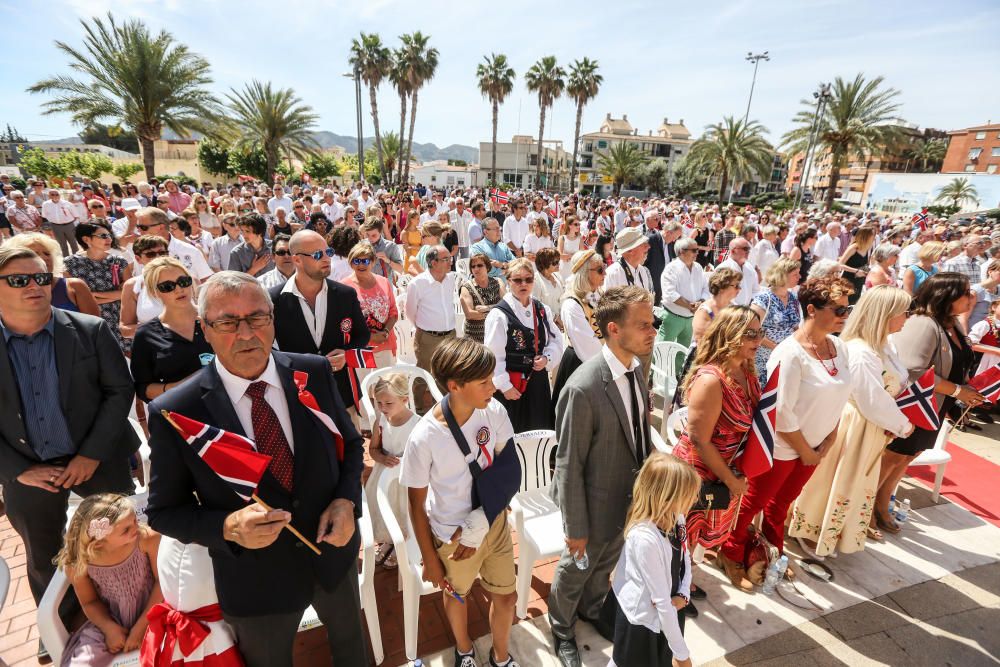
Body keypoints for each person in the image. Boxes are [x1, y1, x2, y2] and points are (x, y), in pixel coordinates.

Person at [146, 271, 367, 667]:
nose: (246, 334)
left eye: (257, 318)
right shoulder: (176, 412)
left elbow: (349, 445)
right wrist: (227, 527)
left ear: (272, 321)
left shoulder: (312, 372)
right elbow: (163, 512)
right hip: (256, 582)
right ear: (205, 330)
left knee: (352, 649)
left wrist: (347, 501)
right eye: (228, 322)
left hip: (333, 557)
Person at [0, 247, 138, 660]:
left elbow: (119, 391)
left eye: (42, 278)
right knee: (45, 555)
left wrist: (91, 455)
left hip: (95, 461)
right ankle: (58, 624)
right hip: (27, 471)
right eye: (20, 280)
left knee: (117, 543)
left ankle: (127, 613)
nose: (35, 288)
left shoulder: (89, 330)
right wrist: (17, 470)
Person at [720, 277, 855, 586]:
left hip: (816, 446)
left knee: (782, 504)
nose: (843, 316)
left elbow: (840, 393)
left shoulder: (840, 347)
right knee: (754, 502)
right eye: (837, 309)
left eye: (846, 309)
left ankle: (771, 551)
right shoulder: (791, 352)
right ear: (811, 309)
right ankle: (730, 551)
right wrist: (806, 450)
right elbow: (782, 411)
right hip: (785, 446)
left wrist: (830, 436)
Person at [549, 286, 656, 666]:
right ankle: (561, 627)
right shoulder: (584, 387)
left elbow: (639, 431)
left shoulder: (637, 369)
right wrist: (576, 525)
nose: (652, 330)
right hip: (591, 503)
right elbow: (568, 463)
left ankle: (591, 609)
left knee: (607, 561)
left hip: (626, 497)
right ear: (613, 329)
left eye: (652, 322)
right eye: (643, 324)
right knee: (575, 569)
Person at [399, 337, 521, 667]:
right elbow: (416, 503)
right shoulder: (424, 437)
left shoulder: (493, 411)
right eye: (483, 382)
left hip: (491, 524)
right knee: (456, 595)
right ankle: (464, 649)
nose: (492, 387)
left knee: (507, 596)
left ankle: (500, 655)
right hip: (451, 536)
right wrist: (430, 558)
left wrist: (480, 522)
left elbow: (511, 472)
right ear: (455, 385)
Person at [788, 286, 915, 557]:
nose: (908, 317)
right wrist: (902, 424)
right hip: (855, 424)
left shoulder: (885, 346)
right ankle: (809, 530)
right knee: (834, 478)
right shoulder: (860, 350)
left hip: (872, 426)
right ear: (886, 314)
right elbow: (871, 399)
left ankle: (833, 530)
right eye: (904, 312)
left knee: (854, 483)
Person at [875, 273, 986, 533]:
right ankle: (867, 506)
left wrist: (968, 385)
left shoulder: (952, 323)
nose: (972, 297)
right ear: (946, 295)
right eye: (965, 292)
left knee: (907, 457)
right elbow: (914, 371)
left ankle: (881, 504)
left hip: (936, 406)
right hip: (916, 406)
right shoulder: (924, 323)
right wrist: (959, 390)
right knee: (892, 458)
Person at [671, 306, 761, 592]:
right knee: (682, 533)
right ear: (731, 335)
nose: (758, 339)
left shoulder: (746, 369)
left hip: (726, 467)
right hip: (699, 469)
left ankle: (683, 578)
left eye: (760, 332)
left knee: (697, 535)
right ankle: (676, 586)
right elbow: (699, 439)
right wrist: (730, 480)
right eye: (750, 333)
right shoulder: (712, 380)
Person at [607, 453, 699, 667]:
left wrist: (684, 594)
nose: (694, 500)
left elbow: (685, 557)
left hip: (670, 609)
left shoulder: (678, 517)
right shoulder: (644, 539)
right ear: (667, 498)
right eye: (689, 495)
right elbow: (660, 603)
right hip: (643, 621)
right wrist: (682, 656)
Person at [270, 230, 371, 421]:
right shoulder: (273, 300)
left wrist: (346, 354)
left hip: (342, 395)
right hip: (299, 398)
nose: (326, 259)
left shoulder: (345, 294)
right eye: (317, 254)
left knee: (351, 450)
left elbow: (362, 335)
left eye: (328, 252)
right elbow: (268, 350)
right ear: (297, 260)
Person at [56, 494, 162, 665]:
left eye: (135, 520)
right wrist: (109, 629)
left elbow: (162, 584)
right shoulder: (79, 563)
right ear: (98, 542)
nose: (136, 527)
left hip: (153, 610)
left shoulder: (146, 539)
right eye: (125, 529)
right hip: (111, 618)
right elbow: (89, 602)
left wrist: (141, 627)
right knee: (83, 661)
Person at [484, 258, 563, 433]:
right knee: (514, 431)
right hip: (512, 383)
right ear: (508, 281)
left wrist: (547, 358)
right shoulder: (499, 315)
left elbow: (556, 340)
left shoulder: (542, 309)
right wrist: (505, 386)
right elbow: (493, 355)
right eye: (517, 280)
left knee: (539, 427)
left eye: (528, 279)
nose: (523, 284)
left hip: (537, 381)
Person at [130, 257, 213, 403]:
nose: (179, 289)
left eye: (183, 281)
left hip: (229, 409)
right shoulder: (145, 335)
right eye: (167, 286)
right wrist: (179, 387)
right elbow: (142, 387)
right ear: (155, 292)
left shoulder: (215, 319)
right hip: (181, 415)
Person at [365, 374, 420, 570]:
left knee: (404, 511)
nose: (383, 407)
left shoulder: (417, 424)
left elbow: (424, 456)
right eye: (378, 403)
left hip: (407, 477)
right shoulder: (381, 420)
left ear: (404, 400)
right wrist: (381, 458)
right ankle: (388, 540)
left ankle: (403, 543)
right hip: (383, 473)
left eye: (389, 403)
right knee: (383, 508)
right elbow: (373, 449)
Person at [65, 222, 135, 353]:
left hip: (119, 317)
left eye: (109, 235)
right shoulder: (70, 264)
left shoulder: (119, 261)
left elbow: (128, 292)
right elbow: (73, 298)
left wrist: (94, 297)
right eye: (103, 235)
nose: (109, 239)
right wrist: (115, 294)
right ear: (86, 239)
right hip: (90, 321)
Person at [5, 233, 99, 317]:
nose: (44, 257)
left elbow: (95, 329)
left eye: (47, 253)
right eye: (34, 254)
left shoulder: (74, 286)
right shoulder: (6, 289)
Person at [340, 241, 399, 371]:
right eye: (356, 261)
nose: (361, 265)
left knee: (386, 387)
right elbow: (344, 323)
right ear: (350, 262)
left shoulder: (383, 281)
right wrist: (371, 337)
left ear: (373, 262)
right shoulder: (344, 288)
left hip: (385, 345)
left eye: (365, 261)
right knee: (364, 389)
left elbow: (393, 312)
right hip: (360, 350)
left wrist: (385, 332)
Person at [405, 245, 459, 373]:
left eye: (450, 258)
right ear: (434, 263)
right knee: (424, 377)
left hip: (450, 336)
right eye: (446, 259)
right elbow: (410, 312)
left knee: (448, 375)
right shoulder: (417, 283)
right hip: (428, 338)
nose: (451, 261)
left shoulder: (451, 278)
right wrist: (423, 328)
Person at [751, 257, 802, 382]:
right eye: (795, 274)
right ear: (782, 276)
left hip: (787, 357)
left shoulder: (793, 297)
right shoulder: (763, 299)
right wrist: (776, 347)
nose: (799, 277)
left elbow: (795, 327)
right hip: (765, 359)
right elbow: (752, 330)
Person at [657, 237, 708, 349]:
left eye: (697, 249)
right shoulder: (671, 269)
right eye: (694, 250)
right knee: (661, 350)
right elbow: (670, 294)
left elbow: (706, 288)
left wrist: (701, 302)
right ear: (682, 251)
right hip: (672, 317)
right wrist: (690, 306)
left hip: (691, 318)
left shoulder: (698, 267)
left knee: (683, 353)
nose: (697, 253)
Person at [119, 236, 171, 342]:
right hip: (154, 348)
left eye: (162, 253)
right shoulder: (132, 286)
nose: (158, 257)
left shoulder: (187, 278)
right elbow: (125, 329)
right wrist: (164, 328)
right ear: (138, 259)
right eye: (150, 254)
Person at [459, 252, 505, 343]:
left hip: (495, 335)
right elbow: (470, 314)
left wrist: (487, 308)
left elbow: (506, 306)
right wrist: (495, 311)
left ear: (487, 267)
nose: (476, 269)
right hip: (475, 338)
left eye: (480, 265)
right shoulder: (466, 287)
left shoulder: (498, 282)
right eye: (473, 266)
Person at [691, 268, 742, 344]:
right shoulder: (705, 311)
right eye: (736, 286)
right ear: (722, 287)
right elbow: (701, 341)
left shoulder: (735, 308)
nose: (740, 289)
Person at [646, 219, 682, 305]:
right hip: (651, 282)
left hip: (662, 281)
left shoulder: (669, 243)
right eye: (674, 237)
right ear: (668, 232)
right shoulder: (651, 239)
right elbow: (644, 262)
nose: (674, 240)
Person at [717, 237, 759, 306]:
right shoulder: (723, 268)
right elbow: (719, 295)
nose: (748, 251)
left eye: (749, 249)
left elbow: (755, 290)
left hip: (748, 311)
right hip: (730, 312)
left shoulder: (749, 267)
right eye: (745, 249)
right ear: (733, 251)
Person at [360, 219, 405, 283]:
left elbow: (400, 269)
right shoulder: (362, 245)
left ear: (381, 232)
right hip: (367, 285)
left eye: (374, 235)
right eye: (368, 235)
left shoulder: (391, 246)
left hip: (385, 287)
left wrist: (388, 261)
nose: (370, 238)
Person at [838, 226, 875, 302]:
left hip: (859, 281)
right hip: (848, 281)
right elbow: (840, 264)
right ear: (866, 236)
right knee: (846, 302)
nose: (874, 238)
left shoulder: (868, 248)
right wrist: (856, 271)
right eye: (872, 235)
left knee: (855, 302)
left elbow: (865, 264)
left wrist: (867, 270)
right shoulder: (853, 248)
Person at [532, 247, 565, 329]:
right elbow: (537, 306)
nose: (558, 264)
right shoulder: (535, 281)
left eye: (559, 261)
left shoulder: (558, 276)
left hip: (563, 321)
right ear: (544, 263)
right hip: (547, 325)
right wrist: (557, 319)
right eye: (555, 262)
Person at [41, 188, 79, 257]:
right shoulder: (46, 204)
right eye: (52, 194)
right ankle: (66, 260)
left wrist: (70, 223)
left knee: (73, 244)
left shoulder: (67, 203)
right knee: (62, 245)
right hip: (56, 226)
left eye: (57, 194)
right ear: (49, 196)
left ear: (60, 195)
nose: (55, 196)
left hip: (69, 226)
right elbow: (44, 215)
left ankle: (76, 259)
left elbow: (76, 215)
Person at [557, 215, 584, 280]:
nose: (578, 226)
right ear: (569, 225)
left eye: (579, 224)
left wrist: (568, 256)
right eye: (576, 224)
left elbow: (582, 255)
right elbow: (559, 255)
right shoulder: (562, 238)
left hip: (576, 267)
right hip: (564, 269)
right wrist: (574, 255)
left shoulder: (580, 239)